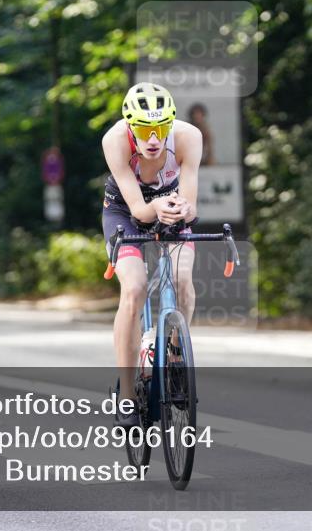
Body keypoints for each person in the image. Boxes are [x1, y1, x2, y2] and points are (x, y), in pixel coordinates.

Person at [102, 82, 203, 428]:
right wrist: (156, 207)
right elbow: (139, 210)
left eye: (161, 128)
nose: (153, 138)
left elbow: (190, 205)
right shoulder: (114, 141)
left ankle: (174, 355)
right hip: (125, 212)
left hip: (170, 206)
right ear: (131, 126)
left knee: (181, 278)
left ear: (171, 124)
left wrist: (182, 211)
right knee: (134, 289)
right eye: (144, 130)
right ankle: (127, 395)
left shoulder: (189, 137)